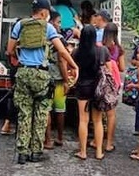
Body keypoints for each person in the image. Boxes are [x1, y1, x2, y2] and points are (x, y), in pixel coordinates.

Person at [6, 0, 79, 164]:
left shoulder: (20, 25)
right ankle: (36, 152)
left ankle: (22, 152)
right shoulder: (49, 28)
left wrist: (20, 59)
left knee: (24, 113)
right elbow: (61, 51)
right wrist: (74, 66)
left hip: (23, 73)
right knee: (41, 113)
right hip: (41, 75)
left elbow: (10, 50)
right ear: (44, 12)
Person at [73, 25, 112, 161]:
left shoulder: (77, 52)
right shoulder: (102, 50)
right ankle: (99, 151)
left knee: (83, 120)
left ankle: (83, 152)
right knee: (98, 120)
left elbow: (73, 71)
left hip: (82, 87)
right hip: (98, 89)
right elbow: (109, 70)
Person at [44, 11, 69, 148]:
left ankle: (47, 140)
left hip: (45, 78)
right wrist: (66, 80)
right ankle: (59, 137)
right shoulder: (59, 39)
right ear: (52, 22)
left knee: (46, 109)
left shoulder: (42, 35)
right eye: (58, 22)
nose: (60, 25)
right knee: (60, 110)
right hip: (58, 80)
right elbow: (62, 61)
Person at [99, 22, 124, 152]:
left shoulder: (100, 46)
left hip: (100, 81)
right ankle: (109, 143)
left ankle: (96, 140)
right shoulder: (119, 49)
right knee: (111, 114)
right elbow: (123, 68)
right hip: (113, 82)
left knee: (98, 112)